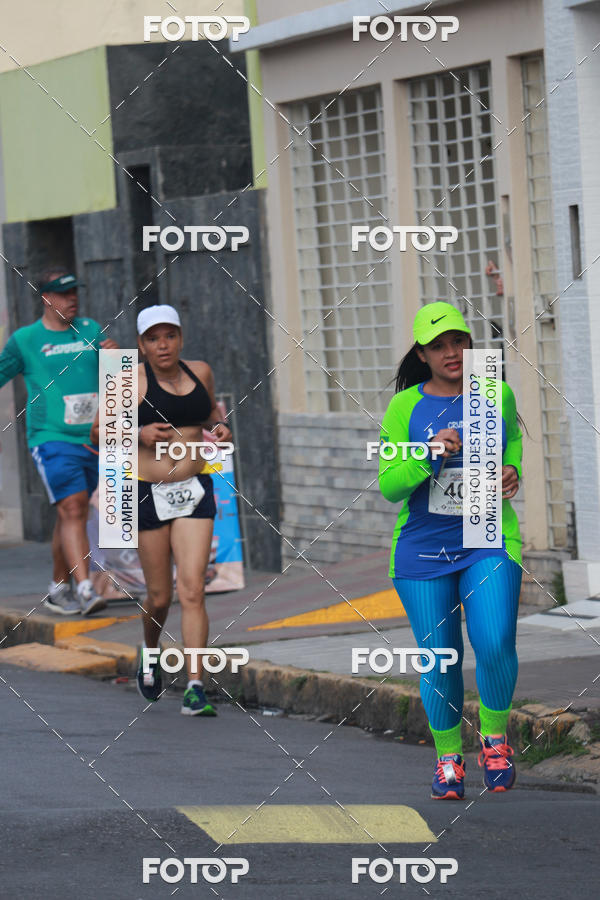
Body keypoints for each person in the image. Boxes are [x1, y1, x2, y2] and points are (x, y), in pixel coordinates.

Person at [378, 301, 523, 799]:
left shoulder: (493, 392)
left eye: (459, 341)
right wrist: (427, 454)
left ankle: (496, 739)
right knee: (439, 657)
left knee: (496, 638)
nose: (451, 352)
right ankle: (447, 758)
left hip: (487, 538)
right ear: (421, 354)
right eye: (438, 345)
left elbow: (512, 447)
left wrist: (512, 472)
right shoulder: (404, 408)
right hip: (422, 547)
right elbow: (390, 487)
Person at [0, 267, 118, 616]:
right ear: (46, 298)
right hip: (50, 437)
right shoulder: (25, 340)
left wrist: (112, 355)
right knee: (73, 507)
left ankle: (58, 587)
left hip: (94, 437)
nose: (73, 300)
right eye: (64, 295)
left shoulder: (91, 330)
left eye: (75, 293)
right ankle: (84, 587)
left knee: (71, 513)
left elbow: (114, 379)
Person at [134, 305, 232, 716]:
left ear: (180, 338)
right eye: (153, 338)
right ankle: (150, 652)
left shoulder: (200, 372)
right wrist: (137, 430)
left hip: (194, 489)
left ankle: (195, 687)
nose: (163, 345)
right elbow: (97, 431)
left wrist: (221, 425)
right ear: (141, 344)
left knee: (193, 590)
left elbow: (210, 412)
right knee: (160, 597)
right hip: (147, 492)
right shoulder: (130, 379)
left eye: (170, 335)